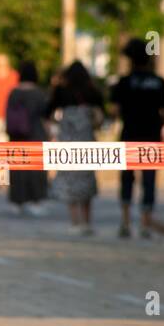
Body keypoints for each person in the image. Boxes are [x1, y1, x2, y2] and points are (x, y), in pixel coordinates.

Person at [110, 38, 164, 238]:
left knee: (127, 178)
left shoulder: (124, 82)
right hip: (151, 135)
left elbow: (114, 110)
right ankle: (145, 224)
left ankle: (125, 221)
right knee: (149, 179)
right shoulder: (159, 82)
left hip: (129, 134)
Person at [48, 61, 104, 235]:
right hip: (87, 141)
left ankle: (75, 222)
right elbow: (100, 116)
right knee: (86, 180)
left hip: (68, 141)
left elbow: (48, 111)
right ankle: (87, 221)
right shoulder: (92, 92)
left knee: (69, 181)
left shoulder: (61, 91)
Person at [5, 60, 49, 216]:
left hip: (16, 135)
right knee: (35, 169)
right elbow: (46, 115)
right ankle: (36, 200)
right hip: (35, 134)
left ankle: (17, 200)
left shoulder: (13, 92)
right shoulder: (39, 93)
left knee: (17, 168)